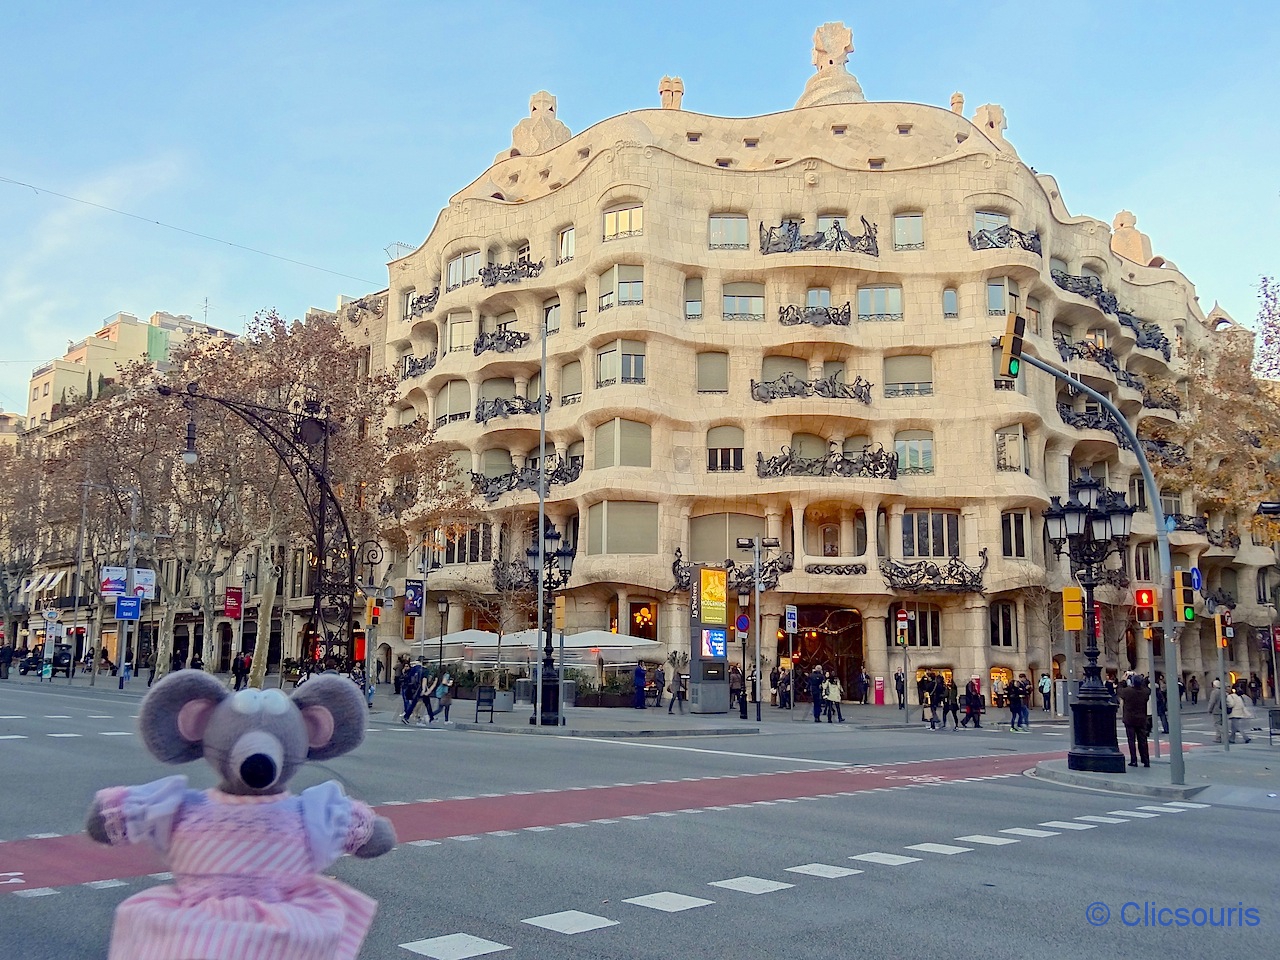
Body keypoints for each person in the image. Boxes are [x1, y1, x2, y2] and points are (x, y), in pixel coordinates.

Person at [1117, 674, 1152, 766]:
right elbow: (1147, 689)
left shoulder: (1127, 691)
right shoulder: (1145, 692)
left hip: (1129, 719)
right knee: (1143, 740)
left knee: (1131, 740)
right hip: (1141, 718)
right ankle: (1146, 760)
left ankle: (1134, 760)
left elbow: (1119, 690)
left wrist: (1123, 681)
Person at [400, 659, 424, 725]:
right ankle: (413, 716)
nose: (406, 667)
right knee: (413, 702)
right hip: (411, 688)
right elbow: (403, 679)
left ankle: (409, 716)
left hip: (412, 688)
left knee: (415, 703)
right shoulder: (414, 671)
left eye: (407, 666)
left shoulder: (413, 671)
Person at [1206, 678, 1224, 742]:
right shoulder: (1222, 691)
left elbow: (1212, 702)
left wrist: (1209, 710)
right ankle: (1218, 738)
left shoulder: (1214, 692)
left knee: (1217, 724)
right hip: (1223, 709)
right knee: (1220, 723)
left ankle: (1225, 733)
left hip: (1216, 710)